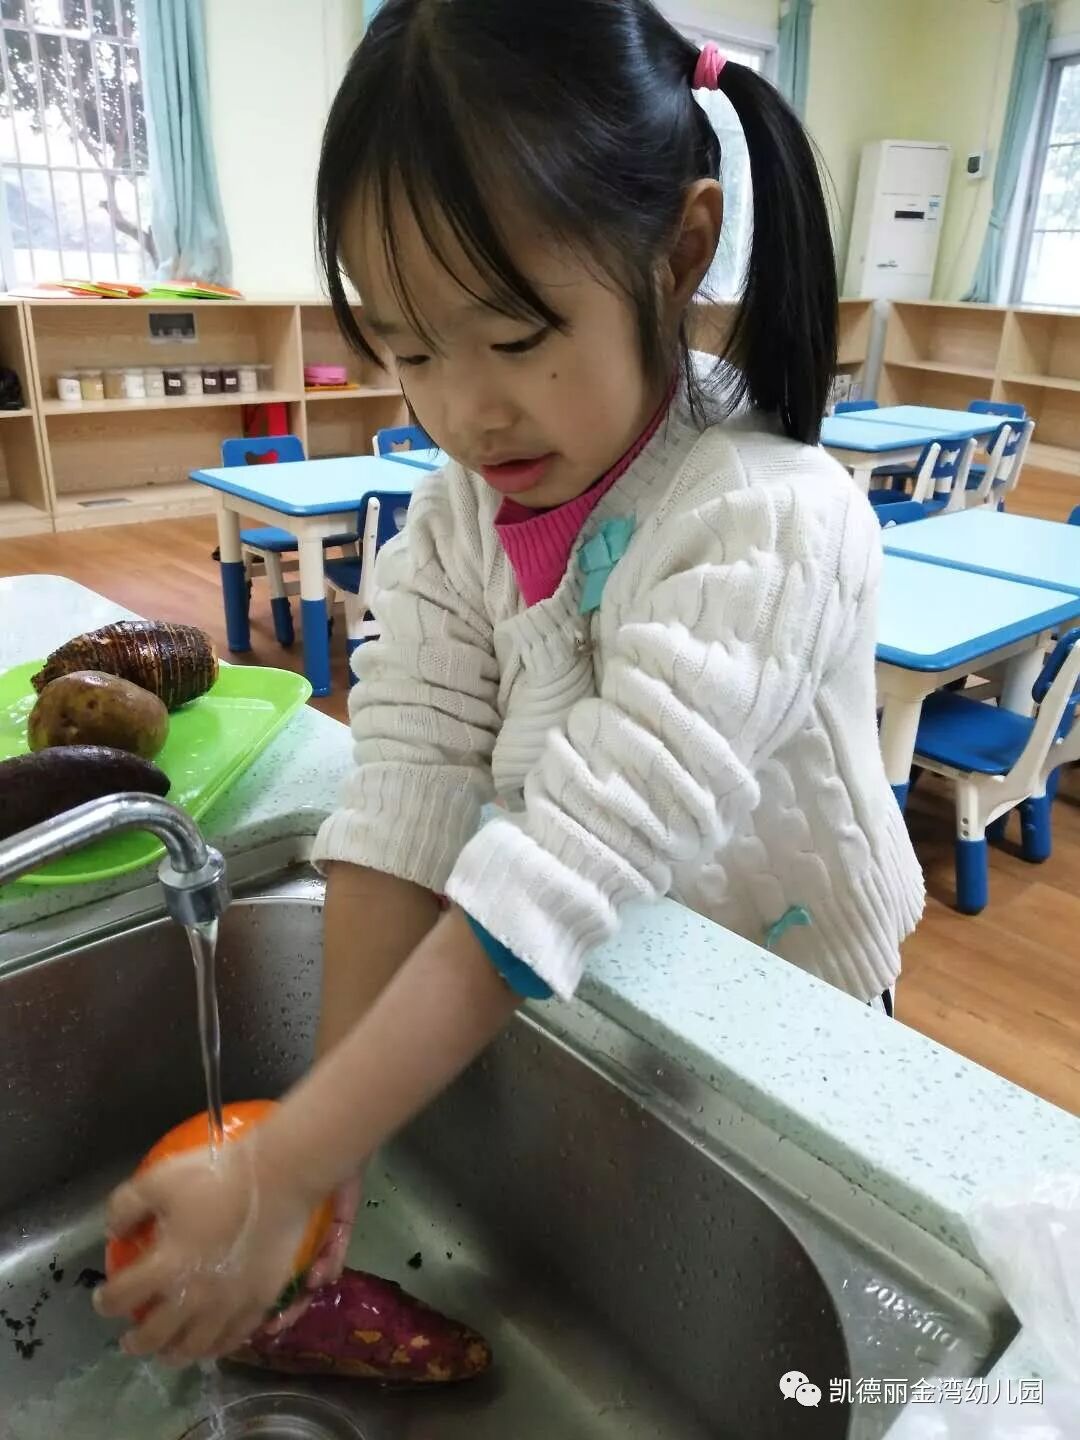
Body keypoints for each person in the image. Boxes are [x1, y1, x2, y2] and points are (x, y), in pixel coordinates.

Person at [95, 0, 924, 1362]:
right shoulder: (455, 521)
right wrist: (331, 1131)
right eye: (412, 350)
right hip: (603, 979)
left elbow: (571, 855)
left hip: (795, 1020)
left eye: (517, 336)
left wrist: (294, 1157)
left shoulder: (771, 519)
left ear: (681, 252)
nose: (465, 412)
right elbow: (409, 784)